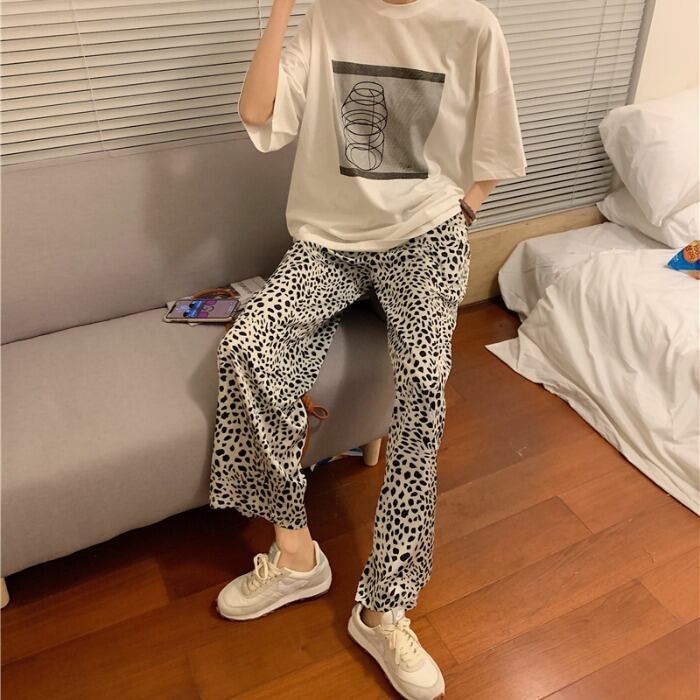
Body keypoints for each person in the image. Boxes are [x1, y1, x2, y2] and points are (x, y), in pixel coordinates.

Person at [209, 0, 526, 696]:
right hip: (327, 242)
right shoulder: (328, 14)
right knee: (249, 350)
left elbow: (498, 148)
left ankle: (385, 606)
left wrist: (463, 211)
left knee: (423, 395)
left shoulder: (471, 24)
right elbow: (259, 112)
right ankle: (296, 555)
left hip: (424, 237)